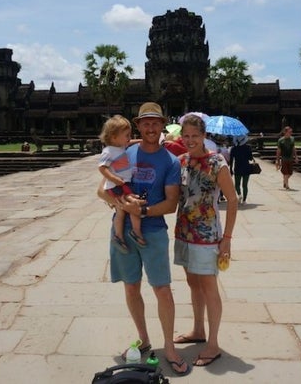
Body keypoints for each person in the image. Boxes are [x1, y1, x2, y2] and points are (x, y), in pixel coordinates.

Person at [96, 102, 189, 376]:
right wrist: (121, 205)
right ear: (138, 126)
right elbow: (101, 190)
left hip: (153, 230)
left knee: (162, 289)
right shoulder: (126, 151)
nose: (150, 127)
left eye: (155, 123)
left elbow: (171, 204)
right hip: (122, 228)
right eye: (145, 123)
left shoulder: (170, 161)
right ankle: (144, 338)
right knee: (131, 286)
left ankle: (169, 346)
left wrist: (143, 210)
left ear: (162, 125)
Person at [172, 114, 237, 368]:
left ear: (204, 136)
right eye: (185, 136)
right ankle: (198, 329)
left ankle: (213, 343)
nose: (190, 141)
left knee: (209, 287)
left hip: (207, 236)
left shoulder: (216, 162)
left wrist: (227, 238)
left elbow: (232, 200)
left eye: (195, 136)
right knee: (192, 283)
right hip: (183, 232)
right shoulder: (182, 162)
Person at [98, 115, 145, 253]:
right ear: (114, 137)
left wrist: (142, 140)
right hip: (118, 185)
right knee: (134, 205)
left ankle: (118, 236)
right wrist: (113, 179)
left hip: (122, 184)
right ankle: (136, 232)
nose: (129, 138)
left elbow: (130, 143)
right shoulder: (108, 151)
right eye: (126, 135)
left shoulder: (120, 146)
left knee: (121, 211)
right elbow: (102, 167)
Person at [229, 134, 254, 204]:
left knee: (237, 184)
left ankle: (239, 195)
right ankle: (244, 200)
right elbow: (250, 158)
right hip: (246, 167)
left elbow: (231, 160)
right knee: (245, 185)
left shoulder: (234, 148)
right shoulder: (248, 147)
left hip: (237, 167)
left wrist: (230, 169)